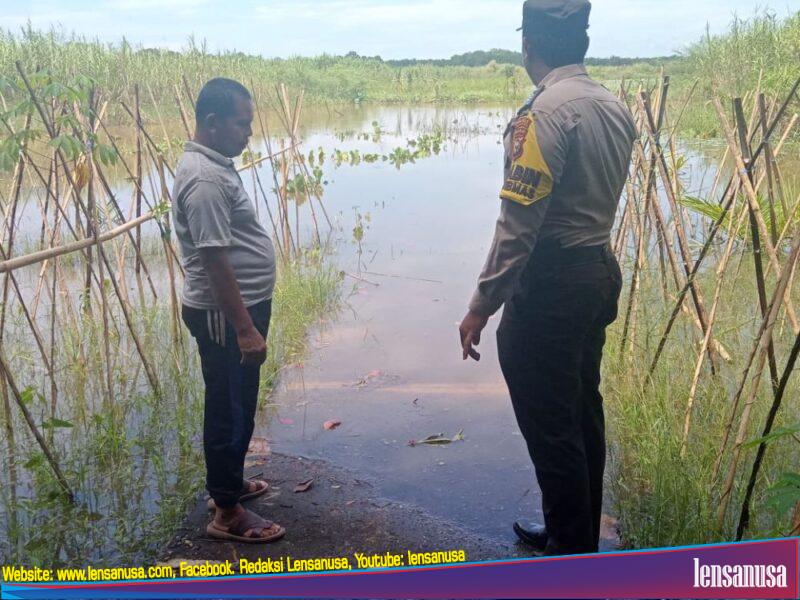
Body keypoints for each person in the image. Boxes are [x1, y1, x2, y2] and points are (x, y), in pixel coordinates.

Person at [459, 0, 636, 556]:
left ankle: (569, 551)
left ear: (528, 45)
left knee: (551, 419)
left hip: (554, 282)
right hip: (597, 269)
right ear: (583, 41)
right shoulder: (612, 106)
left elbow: (518, 226)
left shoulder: (543, 115)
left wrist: (481, 305)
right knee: (581, 409)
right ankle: (573, 533)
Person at [173, 77, 285, 543]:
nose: (249, 133)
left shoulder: (214, 166)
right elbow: (214, 260)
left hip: (238, 309)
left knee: (239, 400)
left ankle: (230, 484)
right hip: (226, 316)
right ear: (213, 122)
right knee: (229, 407)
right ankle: (226, 512)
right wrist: (244, 329)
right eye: (243, 124)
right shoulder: (204, 180)